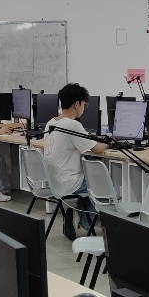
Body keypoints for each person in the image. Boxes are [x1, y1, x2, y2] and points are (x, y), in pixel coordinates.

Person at [44, 83, 108, 240]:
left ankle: (75, 214)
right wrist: (108, 143)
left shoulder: (51, 122)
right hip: (70, 183)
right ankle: (87, 221)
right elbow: (97, 149)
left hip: (54, 181)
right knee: (104, 187)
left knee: (91, 184)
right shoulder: (72, 125)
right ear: (77, 104)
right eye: (84, 104)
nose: (84, 108)